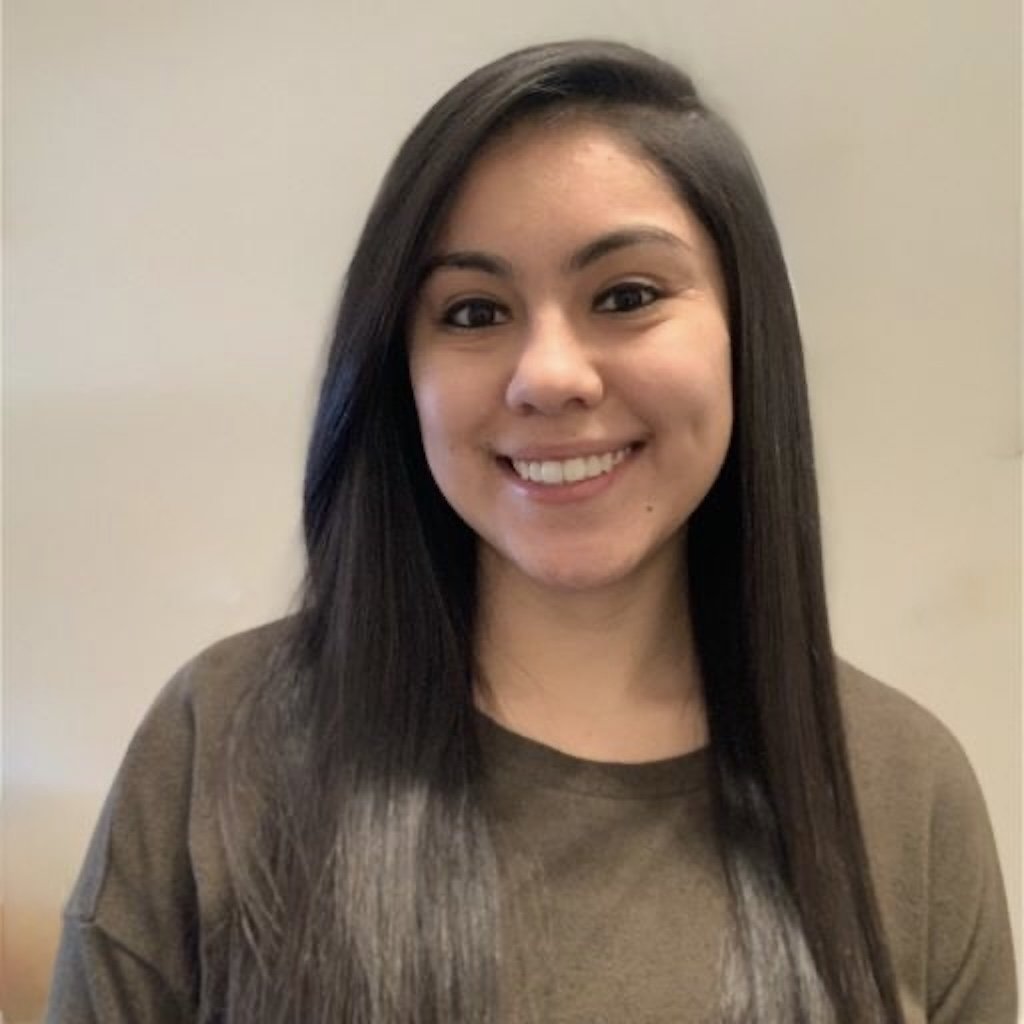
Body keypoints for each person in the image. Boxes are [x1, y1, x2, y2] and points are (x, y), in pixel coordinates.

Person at [45, 40, 1015, 1024]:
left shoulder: (906, 791)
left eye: (627, 295)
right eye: (473, 311)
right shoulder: (220, 741)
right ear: (399, 377)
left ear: (742, 335)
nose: (549, 374)